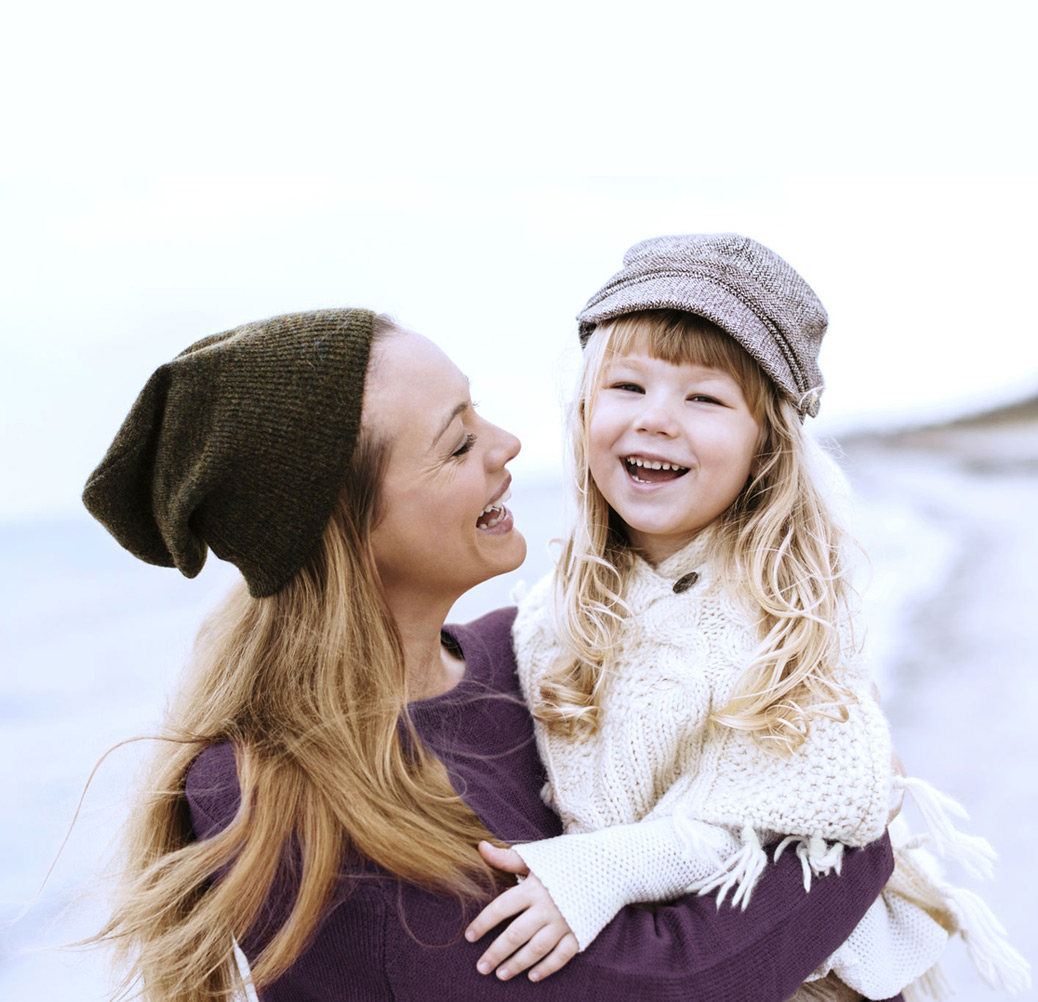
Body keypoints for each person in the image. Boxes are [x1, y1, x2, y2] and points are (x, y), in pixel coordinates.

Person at [82, 307, 899, 1002]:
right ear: (346, 528)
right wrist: (858, 837)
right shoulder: (275, 795)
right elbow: (643, 985)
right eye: (458, 443)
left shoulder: (524, 653)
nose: (507, 444)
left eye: (479, 415)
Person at [470, 235, 1030, 1001]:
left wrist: (600, 870)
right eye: (627, 386)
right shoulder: (554, 606)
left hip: (807, 971)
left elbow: (812, 802)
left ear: (766, 443)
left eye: (703, 398)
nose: (656, 420)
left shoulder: (782, 613)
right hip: (652, 958)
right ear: (584, 410)